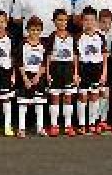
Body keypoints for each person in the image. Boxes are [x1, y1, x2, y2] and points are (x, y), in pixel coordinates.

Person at [45, 8, 77, 136]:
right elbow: (48, 57)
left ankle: (68, 125)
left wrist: (75, 73)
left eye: (65, 20)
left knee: (68, 98)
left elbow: (75, 56)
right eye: (59, 20)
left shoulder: (72, 37)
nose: (62, 22)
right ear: (54, 21)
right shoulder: (52, 37)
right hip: (55, 69)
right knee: (55, 98)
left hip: (68, 69)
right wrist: (48, 73)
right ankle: (54, 125)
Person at [75, 6, 108, 133]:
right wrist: (76, 73)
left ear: (96, 22)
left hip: (97, 69)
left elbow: (104, 57)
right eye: (86, 20)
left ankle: (92, 123)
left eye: (92, 20)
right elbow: (76, 58)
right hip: (83, 68)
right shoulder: (78, 37)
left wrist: (104, 73)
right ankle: (82, 125)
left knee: (94, 96)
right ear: (82, 21)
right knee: (82, 96)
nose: (89, 23)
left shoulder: (100, 37)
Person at [16, 16, 46, 138]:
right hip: (26, 76)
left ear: (41, 31)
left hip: (38, 77)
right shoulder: (23, 44)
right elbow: (19, 62)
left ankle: (40, 127)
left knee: (39, 102)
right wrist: (25, 78)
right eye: (32, 30)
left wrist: (38, 76)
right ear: (27, 30)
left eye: (37, 30)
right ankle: (21, 128)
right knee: (23, 103)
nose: (35, 32)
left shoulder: (43, 44)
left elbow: (44, 63)